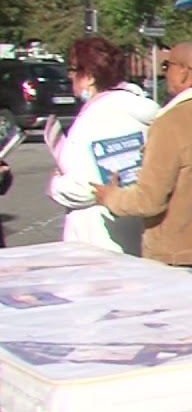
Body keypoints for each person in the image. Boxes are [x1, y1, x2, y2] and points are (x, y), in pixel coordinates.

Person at [91, 40, 192, 282]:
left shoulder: (170, 123)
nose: (165, 73)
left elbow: (149, 200)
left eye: (167, 66)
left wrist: (110, 196)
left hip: (177, 257)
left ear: (184, 71)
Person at [47, 36, 160, 255]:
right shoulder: (143, 110)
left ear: (88, 77)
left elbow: (85, 188)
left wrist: (56, 184)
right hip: (137, 227)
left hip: (98, 237)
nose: (70, 79)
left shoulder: (93, 120)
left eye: (72, 71)